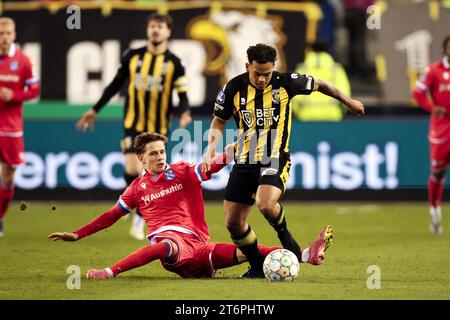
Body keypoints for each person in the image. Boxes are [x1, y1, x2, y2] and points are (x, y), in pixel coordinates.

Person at [203, 43, 364, 277]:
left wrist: (349, 102)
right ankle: (258, 266)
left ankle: (291, 247)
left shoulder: (287, 82)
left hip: (275, 156)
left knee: (265, 204)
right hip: (244, 160)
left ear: (274, 68)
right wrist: (210, 149)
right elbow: (218, 120)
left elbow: (321, 85)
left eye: (266, 74)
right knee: (233, 223)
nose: (261, 79)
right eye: (257, 74)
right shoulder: (233, 87)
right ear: (248, 66)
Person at [48, 133, 286, 279]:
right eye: (153, 154)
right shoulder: (135, 189)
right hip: (172, 245)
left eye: (162, 152)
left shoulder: (181, 171)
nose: (160, 157)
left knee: (251, 253)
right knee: (165, 246)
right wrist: (78, 234)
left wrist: (239, 145)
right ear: (141, 158)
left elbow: (212, 165)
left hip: (200, 247)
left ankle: (302, 255)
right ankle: (110, 271)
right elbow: (111, 215)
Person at [75, 13, 192, 241]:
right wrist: (95, 109)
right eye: (152, 26)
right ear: (148, 30)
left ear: (168, 32)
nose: (155, 30)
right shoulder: (133, 56)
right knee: (131, 170)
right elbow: (115, 84)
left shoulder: (174, 63)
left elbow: (183, 94)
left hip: (158, 129)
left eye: (160, 27)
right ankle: (139, 208)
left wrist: (184, 112)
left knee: (153, 172)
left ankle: (140, 216)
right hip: (133, 124)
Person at [0, 17, 40, 237]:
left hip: (10, 128)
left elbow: (34, 91)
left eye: (7, 33)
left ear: (14, 35)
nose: (3, 38)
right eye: (0, 33)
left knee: (8, 176)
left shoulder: (23, 61)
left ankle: (0, 218)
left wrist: (13, 95)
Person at [412, 35, 450, 235]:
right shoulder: (434, 71)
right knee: (437, 172)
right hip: (442, 129)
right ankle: (435, 209)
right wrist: (432, 107)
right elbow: (417, 93)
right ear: (445, 50)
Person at [291, 39, 351, 121]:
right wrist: (341, 112)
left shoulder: (302, 69)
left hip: (306, 116)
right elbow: (345, 93)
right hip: (332, 115)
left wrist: (298, 113)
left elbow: (294, 95)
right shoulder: (336, 69)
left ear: (311, 50)